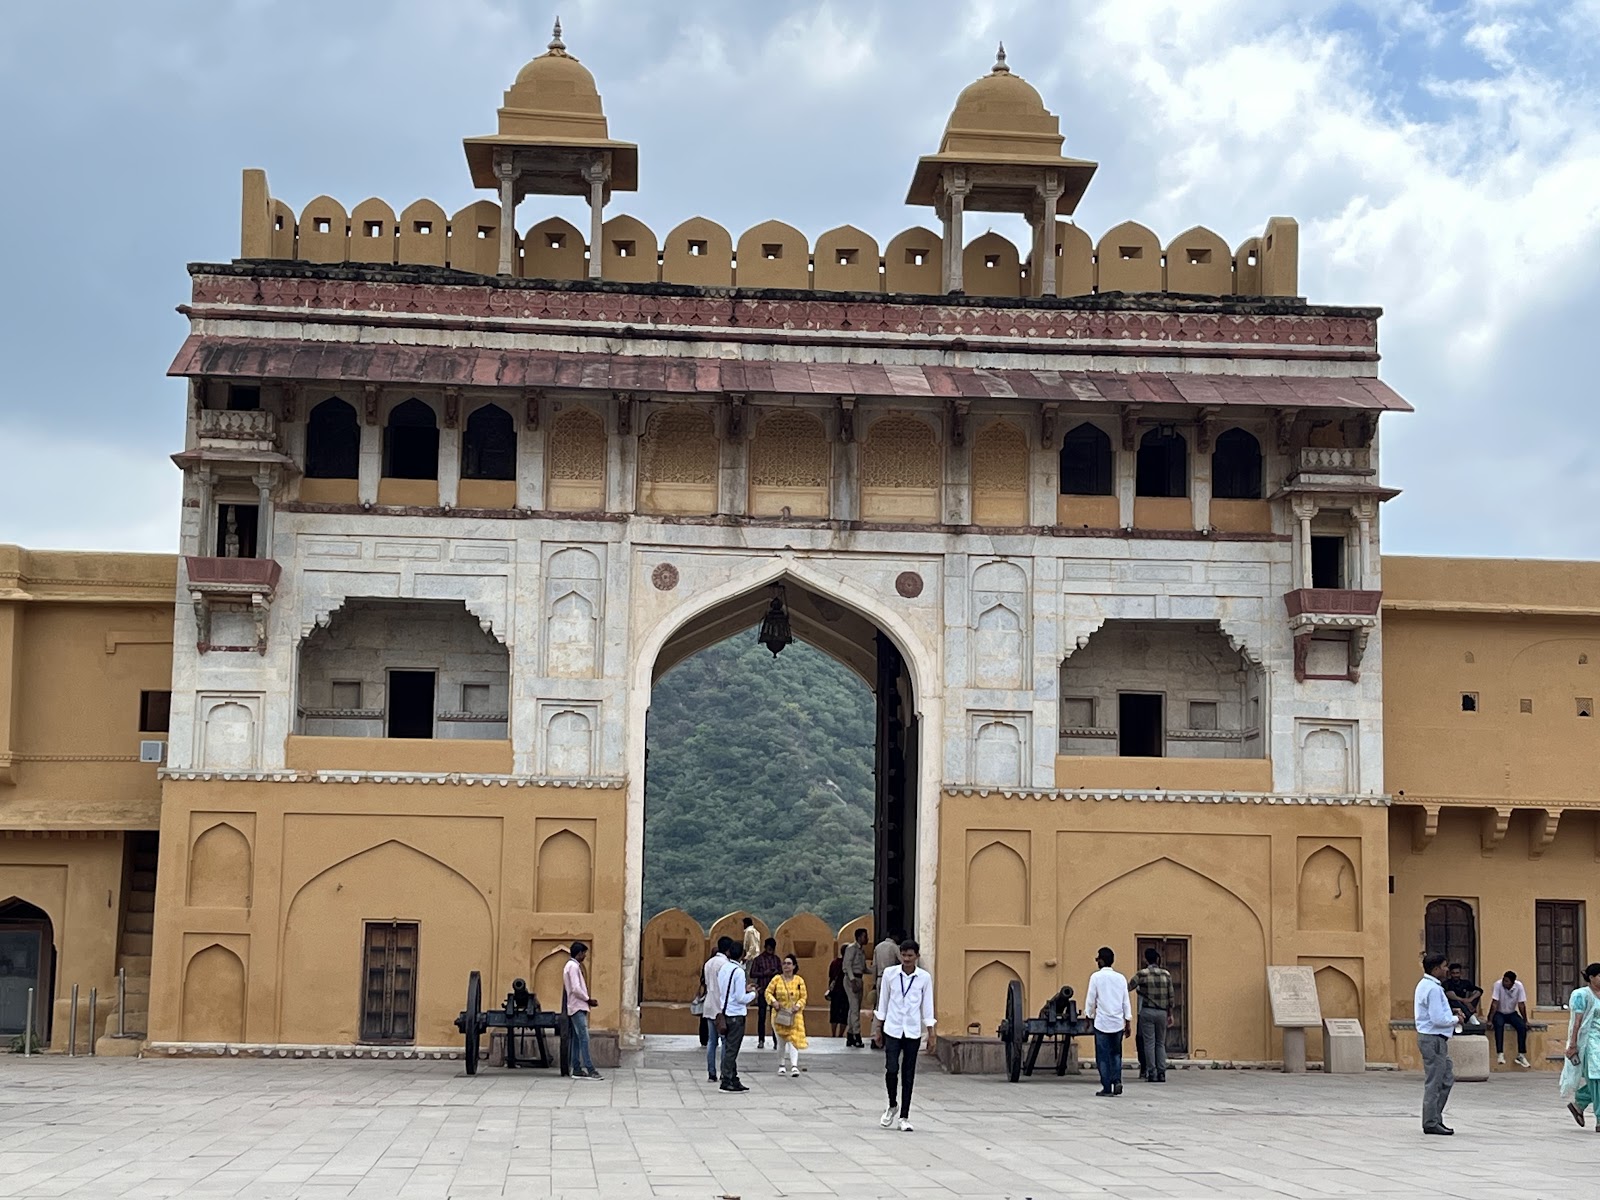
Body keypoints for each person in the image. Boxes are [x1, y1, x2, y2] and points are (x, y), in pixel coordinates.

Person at [872, 939, 935, 1132]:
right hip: (893, 1028)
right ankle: (892, 1104)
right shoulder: (891, 975)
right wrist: (878, 1029)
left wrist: (931, 1033)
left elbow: (927, 1006)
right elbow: (883, 1002)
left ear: (917, 956)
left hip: (912, 1031)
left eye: (910, 956)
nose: (907, 959)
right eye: (904, 955)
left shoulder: (923, 978)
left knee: (908, 1073)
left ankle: (904, 1116)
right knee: (891, 1069)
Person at [1415, 951, 1456, 1135]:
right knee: (1435, 1081)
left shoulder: (1426, 985)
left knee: (1446, 1077)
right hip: (1434, 1039)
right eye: (1445, 966)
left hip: (1434, 1038)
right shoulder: (1432, 989)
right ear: (1436, 968)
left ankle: (1435, 1116)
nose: (1447, 970)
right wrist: (1455, 1020)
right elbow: (1438, 1018)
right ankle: (1431, 1121)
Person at [1084, 947, 1131, 1097]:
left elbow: (1091, 999)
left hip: (1102, 1023)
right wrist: (1128, 1021)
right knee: (1116, 1054)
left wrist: (1088, 1016)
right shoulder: (1121, 978)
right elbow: (1125, 1001)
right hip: (1117, 1023)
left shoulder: (1096, 977)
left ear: (1101, 961)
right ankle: (1117, 1080)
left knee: (1102, 1056)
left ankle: (1106, 1086)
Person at [1560, 961, 1600, 1129]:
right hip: (1589, 1043)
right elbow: (1577, 1022)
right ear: (1591, 978)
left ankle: (1580, 1103)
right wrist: (1573, 1044)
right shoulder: (1582, 995)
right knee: (1596, 1078)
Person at [715, 941, 756, 1093]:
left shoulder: (724, 968)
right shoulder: (738, 972)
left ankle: (733, 1078)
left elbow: (727, 990)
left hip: (725, 1011)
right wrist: (752, 994)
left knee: (729, 1047)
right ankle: (726, 1079)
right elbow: (740, 997)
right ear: (742, 955)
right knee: (732, 1050)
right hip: (736, 1014)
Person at [1129, 946, 1173, 1083]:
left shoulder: (1142, 974)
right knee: (1160, 1043)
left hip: (1147, 1010)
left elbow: (1129, 986)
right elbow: (1171, 995)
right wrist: (1170, 1014)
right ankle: (1162, 1072)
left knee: (1149, 1043)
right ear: (1157, 959)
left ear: (1145, 959)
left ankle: (1151, 1072)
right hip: (1162, 1012)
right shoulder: (1166, 974)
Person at [561, 941, 602, 1081]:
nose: (584, 956)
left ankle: (577, 1069)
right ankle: (590, 1069)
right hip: (577, 1005)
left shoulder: (572, 966)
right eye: (584, 953)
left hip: (576, 1006)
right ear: (579, 953)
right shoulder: (573, 967)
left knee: (577, 1039)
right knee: (584, 1037)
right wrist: (588, 999)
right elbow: (575, 988)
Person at [765, 953, 809, 1076]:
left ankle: (794, 1066)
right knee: (781, 1041)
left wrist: (798, 1005)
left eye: (789, 963)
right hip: (779, 1015)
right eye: (784, 963)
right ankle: (781, 1065)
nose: (786, 966)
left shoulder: (799, 980)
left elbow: (804, 997)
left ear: (794, 966)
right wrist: (774, 1002)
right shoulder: (776, 979)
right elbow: (768, 992)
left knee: (793, 1039)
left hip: (795, 1014)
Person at [701, 936, 733, 1083]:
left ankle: (711, 1073)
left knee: (711, 1042)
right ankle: (724, 1072)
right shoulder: (725, 965)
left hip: (709, 1004)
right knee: (725, 1041)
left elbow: (706, 983)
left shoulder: (708, 963)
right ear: (728, 950)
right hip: (721, 1006)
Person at [1490, 970, 1531, 1068]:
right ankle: (1500, 1053)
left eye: (1507, 981)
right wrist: (1489, 1019)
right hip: (1499, 1012)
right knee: (1499, 1025)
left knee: (1521, 1027)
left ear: (1513, 982)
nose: (1504, 983)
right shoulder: (1498, 985)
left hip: (1511, 1013)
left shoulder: (1519, 986)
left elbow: (1521, 1005)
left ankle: (1521, 1055)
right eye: (1504, 980)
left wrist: (1525, 1020)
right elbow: (1494, 1003)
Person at [750, 937, 783, 1050]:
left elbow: (781, 973)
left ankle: (775, 1041)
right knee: (762, 1017)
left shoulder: (776, 959)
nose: (771, 951)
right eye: (769, 949)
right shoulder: (758, 960)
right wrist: (765, 973)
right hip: (763, 990)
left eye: (772, 949)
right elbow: (752, 974)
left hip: (775, 993)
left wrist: (775, 973)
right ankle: (761, 1040)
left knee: (774, 1017)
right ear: (765, 947)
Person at [842, 928, 869, 1047]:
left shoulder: (861, 951)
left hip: (859, 978)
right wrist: (852, 980)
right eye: (865, 936)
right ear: (858, 937)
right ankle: (857, 1036)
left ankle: (850, 1035)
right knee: (854, 1007)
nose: (867, 938)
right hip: (851, 979)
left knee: (855, 1009)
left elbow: (863, 968)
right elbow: (847, 965)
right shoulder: (851, 949)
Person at [1444, 963, 1484, 1032]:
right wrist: (1464, 1000)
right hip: (1452, 1008)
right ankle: (1470, 1016)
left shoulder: (1465, 983)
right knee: (1455, 1001)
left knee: (1474, 995)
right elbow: (1449, 994)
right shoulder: (1447, 983)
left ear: (1460, 973)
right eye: (1453, 973)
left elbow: (1479, 991)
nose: (1455, 975)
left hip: (1464, 1008)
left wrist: (1469, 1000)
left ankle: (1464, 1019)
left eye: (1457, 973)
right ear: (1450, 973)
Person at [826, 952, 848, 1038]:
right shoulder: (847, 963)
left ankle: (833, 1034)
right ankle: (840, 1034)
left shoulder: (834, 962)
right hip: (845, 991)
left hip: (835, 991)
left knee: (834, 1013)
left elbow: (830, 976)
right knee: (844, 1014)